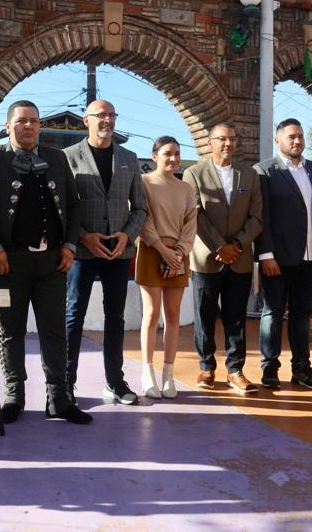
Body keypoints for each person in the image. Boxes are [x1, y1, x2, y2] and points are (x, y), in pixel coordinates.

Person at [0, 100, 91, 425]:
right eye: (21, 121)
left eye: (33, 121)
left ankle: (59, 398)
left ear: (40, 126)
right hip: (9, 261)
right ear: (8, 126)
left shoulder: (56, 157)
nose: (28, 127)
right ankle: (14, 395)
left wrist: (70, 246)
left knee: (55, 331)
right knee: (10, 331)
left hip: (52, 262)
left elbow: (73, 204)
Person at [63, 99, 147, 405]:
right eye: (101, 115)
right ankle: (65, 384)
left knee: (116, 318)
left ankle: (115, 381)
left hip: (118, 252)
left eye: (112, 114)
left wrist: (128, 235)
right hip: (83, 252)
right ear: (86, 120)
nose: (107, 120)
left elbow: (140, 208)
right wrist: (84, 237)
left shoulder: (129, 158)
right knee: (74, 316)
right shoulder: (68, 158)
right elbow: (62, 210)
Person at [182, 123, 262, 395]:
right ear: (210, 142)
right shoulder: (194, 173)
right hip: (207, 258)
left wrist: (237, 244)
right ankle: (206, 367)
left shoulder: (249, 175)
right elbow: (195, 214)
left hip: (239, 258)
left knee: (236, 317)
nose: (227, 144)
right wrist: (220, 246)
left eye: (231, 138)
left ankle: (235, 370)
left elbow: (257, 216)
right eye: (221, 139)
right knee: (204, 316)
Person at [253, 118, 312, 391]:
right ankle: (269, 368)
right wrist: (265, 254)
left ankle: (301, 369)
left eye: (300, 136)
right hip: (277, 257)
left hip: (311, 256)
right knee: (273, 312)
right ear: (278, 140)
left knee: (302, 314)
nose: (297, 141)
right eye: (291, 137)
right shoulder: (264, 171)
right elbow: (260, 216)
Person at [135, 136, 196, 398]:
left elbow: (190, 225)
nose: (173, 158)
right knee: (151, 314)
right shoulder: (143, 183)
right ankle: (147, 372)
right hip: (151, 251)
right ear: (155, 156)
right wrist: (163, 251)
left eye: (177, 154)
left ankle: (168, 375)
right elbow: (142, 219)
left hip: (178, 256)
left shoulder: (186, 189)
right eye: (168, 153)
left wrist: (179, 254)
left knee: (173, 316)